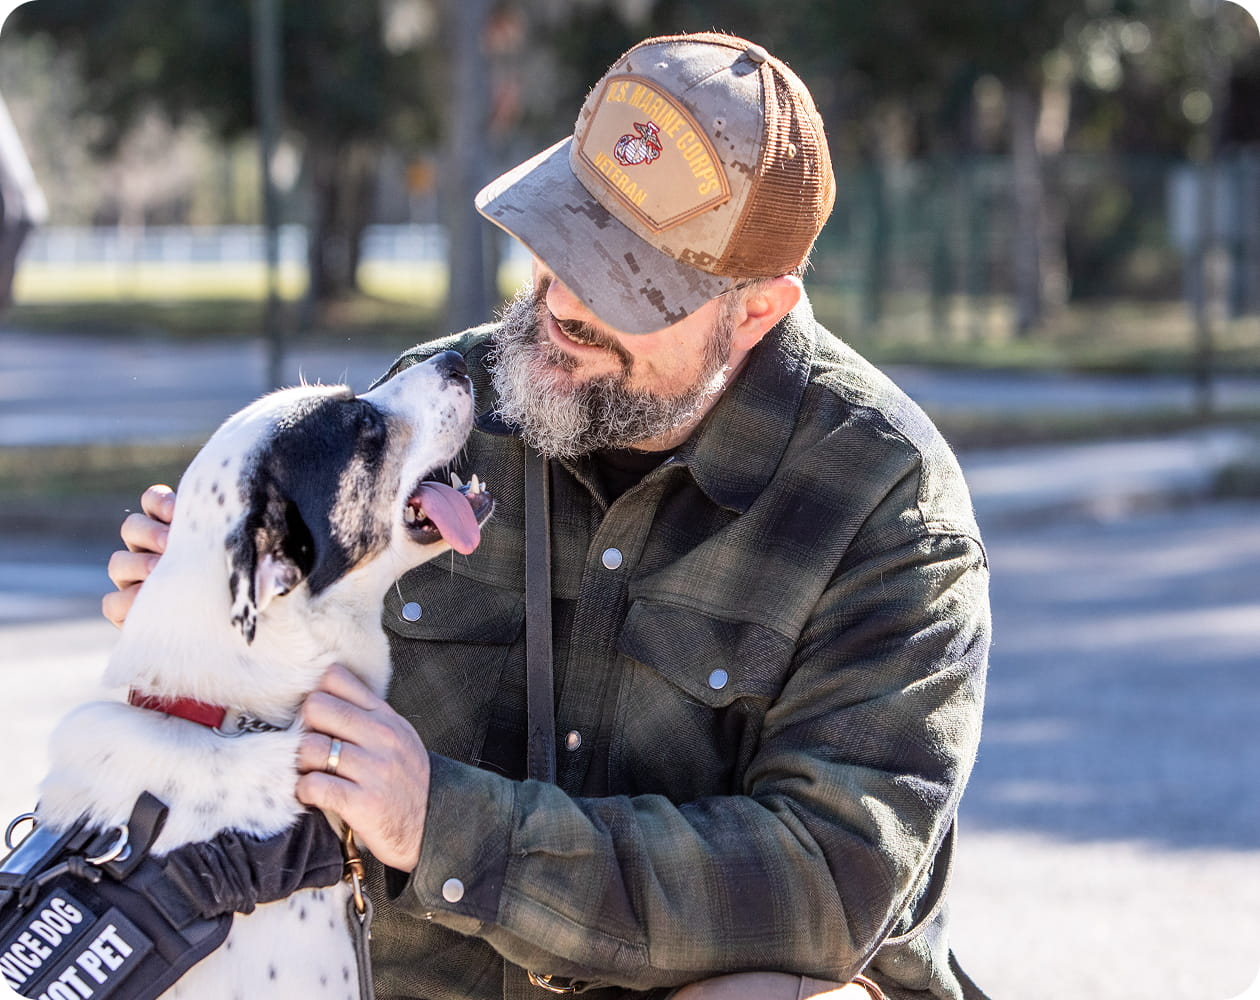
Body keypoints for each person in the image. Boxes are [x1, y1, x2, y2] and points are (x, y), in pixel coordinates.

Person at [105, 32, 990, 1000]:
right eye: (560, 241)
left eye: (625, 283)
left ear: (757, 311)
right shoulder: (437, 411)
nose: (561, 301)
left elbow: (831, 882)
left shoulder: (883, 504)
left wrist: (442, 825)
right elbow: (265, 723)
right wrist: (204, 620)